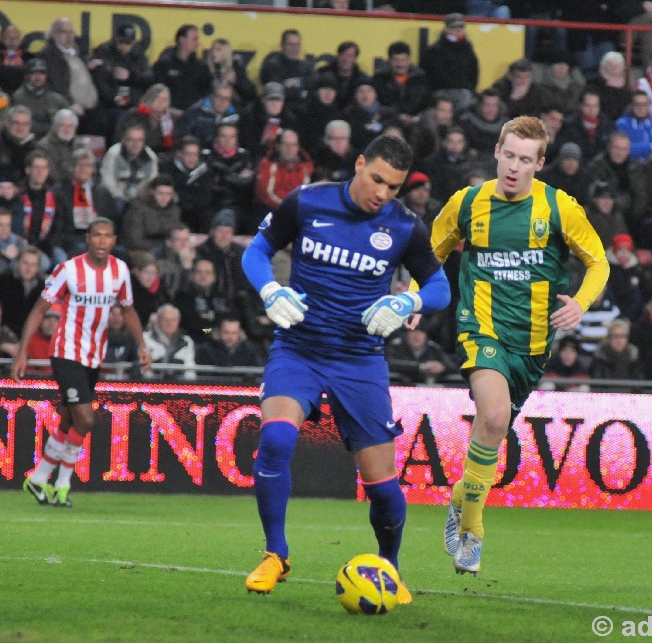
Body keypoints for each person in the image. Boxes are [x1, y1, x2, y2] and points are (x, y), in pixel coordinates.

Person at [239, 134, 450, 598]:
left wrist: (408, 300)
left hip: (359, 360)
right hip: (299, 349)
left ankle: (389, 570)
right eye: (376, 179)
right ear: (358, 164)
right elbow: (255, 252)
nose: (382, 193)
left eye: (392, 187)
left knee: (382, 487)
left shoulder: (404, 226)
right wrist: (271, 290)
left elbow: (441, 288)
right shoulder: (307, 202)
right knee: (276, 436)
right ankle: (276, 554)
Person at [425, 116, 608, 574]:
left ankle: (461, 500)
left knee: (492, 431)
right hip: (481, 328)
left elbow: (599, 263)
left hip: (532, 343)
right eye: (508, 155)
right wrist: (415, 293)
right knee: (493, 416)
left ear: (539, 164)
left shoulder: (559, 208)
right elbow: (430, 252)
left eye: (525, 160)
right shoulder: (467, 203)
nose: (514, 166)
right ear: (497, 152)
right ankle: (473, 530)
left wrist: (582, 304)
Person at [10, 217, 150, 507]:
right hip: (65, 352)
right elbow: (39, 310)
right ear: (87, 239)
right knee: (86, 418)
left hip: (94, 355)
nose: (101, 240)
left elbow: (128, 310)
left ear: (113, 241)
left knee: (69, 419)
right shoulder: (68, 270)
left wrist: (142, 344)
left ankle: (38, 479)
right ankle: (62, 483)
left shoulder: (120, 271)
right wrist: (22, 351)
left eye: (107, 236)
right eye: (96, 235)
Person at [419, 13, 479, 115]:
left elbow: (474, 72)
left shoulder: (468, 49)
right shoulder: (434, 51)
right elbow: (429, 76)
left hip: (463, 91)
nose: (458, 30)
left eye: (461, 27)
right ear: (446, 29)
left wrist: (468, 89)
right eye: (455, 28)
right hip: (440, 91)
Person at [152, 25, 212, 115]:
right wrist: (169, 109)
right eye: (194, 39)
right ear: (182, 40)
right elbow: (156, 89)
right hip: (166, 114)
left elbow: (207, 92)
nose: (197, 43)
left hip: (193, 116)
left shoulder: (201, 66)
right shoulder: (164, 64)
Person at [11, 58, 69, 139]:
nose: (38, 77)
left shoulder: (57, 99)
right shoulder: (18, 97)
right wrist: (50, 128)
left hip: (53, 141)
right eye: (34, 73)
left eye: (42, 73)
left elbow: (68, 122)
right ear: (27, 76)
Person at [142, 303, 196, 381]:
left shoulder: (187, 342)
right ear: (158, 320)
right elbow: (145, 369)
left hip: (180, 387)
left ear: (178, 322)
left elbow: (190, 369)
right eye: (165, 319)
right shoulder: (145, 339)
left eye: (173, 320)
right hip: (153, 386)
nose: (169, 323)